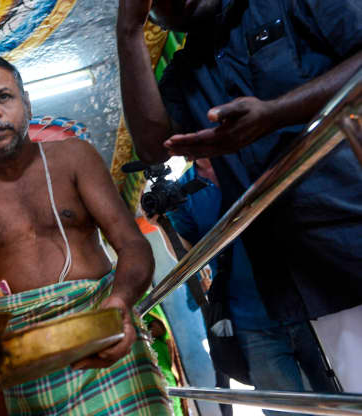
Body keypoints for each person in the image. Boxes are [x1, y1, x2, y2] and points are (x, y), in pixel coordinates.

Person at [117, 0, 362, 391]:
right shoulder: (187, 72)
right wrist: (128, 32)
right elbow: (151, 147)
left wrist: (277, 112)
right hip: (304, 278)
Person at [0, 52, 170, 415]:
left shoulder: (74, 157)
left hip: (101, 323)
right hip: (22, 353)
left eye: (3, 97)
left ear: (26, 102)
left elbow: (133, 245)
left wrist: (119, 302)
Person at [166, 159, 338, 415]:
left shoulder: (246, 155)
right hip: (251, 323)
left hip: (306, 306)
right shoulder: (183, 192)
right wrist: (162, 224)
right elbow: (189, 256)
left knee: (343, 395)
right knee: (286, 411)